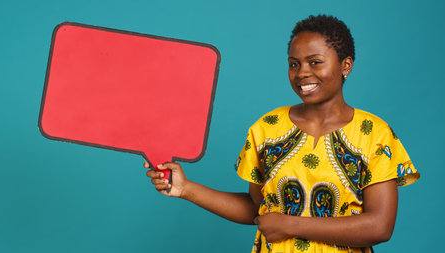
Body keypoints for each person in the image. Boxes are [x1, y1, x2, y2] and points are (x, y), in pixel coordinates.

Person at [145, 15, 420, 253]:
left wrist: (290, 224)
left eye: (315, 62)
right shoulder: (267, 128)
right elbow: (257, 209)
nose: (302, 73)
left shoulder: (374, 134)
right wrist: (186, 188)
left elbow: (380, 226)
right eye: (294, 64)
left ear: (345, 65)